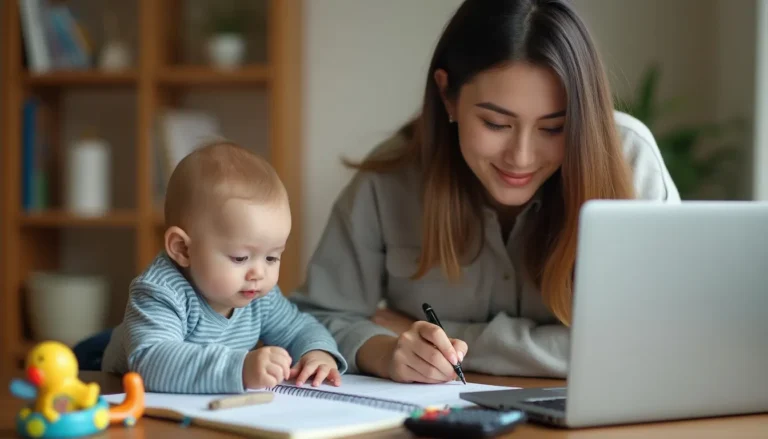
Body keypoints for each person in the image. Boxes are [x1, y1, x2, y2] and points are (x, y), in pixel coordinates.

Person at [289, 0, 680, 383]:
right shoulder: (392, 176)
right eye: (496, 123)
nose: (521, 158)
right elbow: (312, 320)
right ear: (447, 95)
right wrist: (385, 352)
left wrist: (459, 339)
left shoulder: (628, 160)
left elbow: (655, 340)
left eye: (554, 128)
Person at [102, 140, 346, 393]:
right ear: (183, 249)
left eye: (272, 258)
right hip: (109, 380)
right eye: (240, 258)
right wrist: (238, 369)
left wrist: (317, 353)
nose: (259, 273)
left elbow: (299, 328)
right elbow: (152, 362)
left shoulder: (258, 295)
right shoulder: (159, 292)